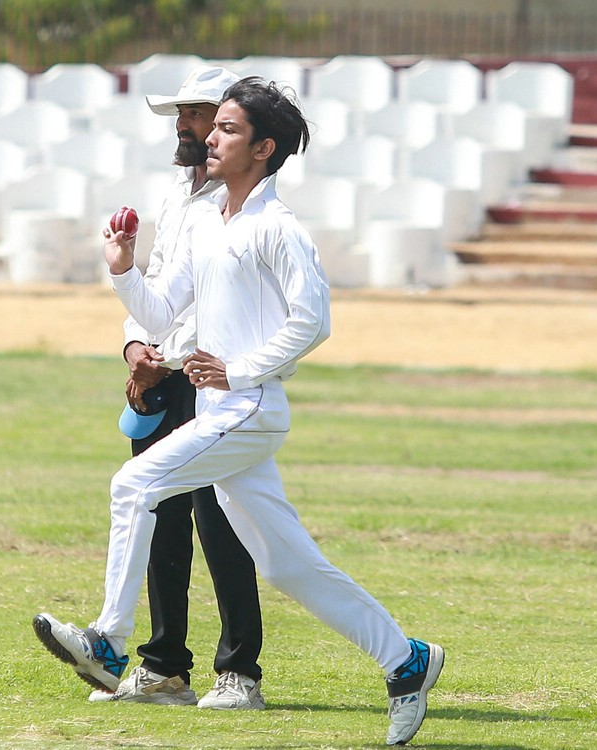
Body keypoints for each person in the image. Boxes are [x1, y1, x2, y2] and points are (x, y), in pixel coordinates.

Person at [33, 77, 444, 746]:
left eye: (227, 129)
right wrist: (123, 268)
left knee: (133, 484)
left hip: (249, 409)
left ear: (263, 149)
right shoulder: (204, 219)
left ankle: (108, 641)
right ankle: (407, 659)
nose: (211, 138)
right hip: (221, 412)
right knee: (287, 566)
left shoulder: (278, 228)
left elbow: (313, 321)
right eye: (215, 126)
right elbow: (162, 313)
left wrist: (241, 369)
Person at [94, 66, 267, 710]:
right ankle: (165, 667)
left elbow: (213, 303)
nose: (185, 125)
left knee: (222, 523)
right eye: (182, 114)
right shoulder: (176, 191)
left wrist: (161, 357)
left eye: (197, 113)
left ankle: (239, 673)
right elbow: (161, 283)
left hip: (210, 377)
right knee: (158, 518)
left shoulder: (239, 201)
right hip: (163, 372)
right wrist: (135, 347)